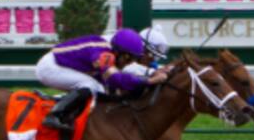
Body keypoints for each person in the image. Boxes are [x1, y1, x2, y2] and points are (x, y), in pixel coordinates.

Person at [36, 28, 168, 131]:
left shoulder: (113, 48)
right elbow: (115, 78)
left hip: (62, 65)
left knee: (100, 89)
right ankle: (54, 115)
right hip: (50, 67)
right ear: (120, 52)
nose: (129, 63)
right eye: (128, 59)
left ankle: (60, 103)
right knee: (91, 85)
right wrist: (148, 81)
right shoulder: (104, 53)